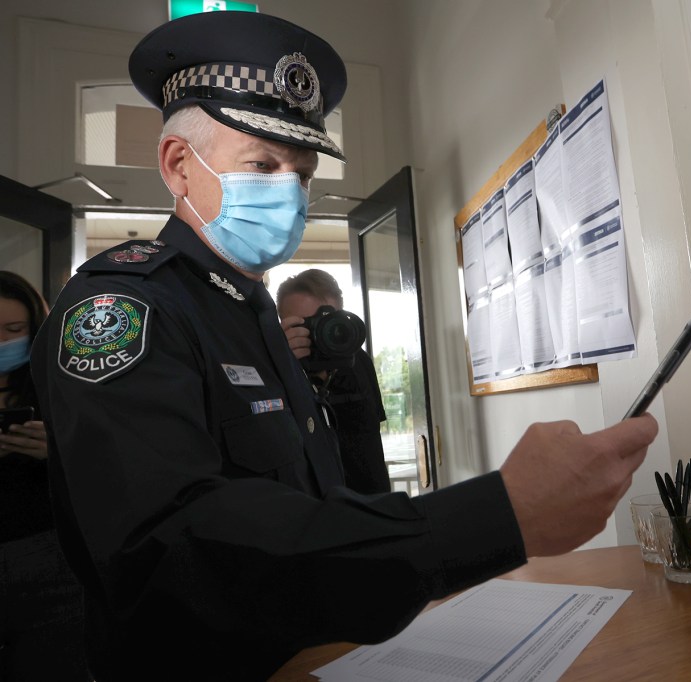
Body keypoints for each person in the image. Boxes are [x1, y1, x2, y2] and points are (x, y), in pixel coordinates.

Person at [31, 11, 657, 681]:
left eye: (302, 174)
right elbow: (177, 548)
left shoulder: (255, 314)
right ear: (179, 165)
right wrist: (494, 516)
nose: (290, 192)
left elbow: (316, 509)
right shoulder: (124, 308)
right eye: (262, 164)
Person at [0, 271, 89, 681]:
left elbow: (109, 470)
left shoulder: (63, 383)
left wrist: (57, 453)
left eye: (14, 330)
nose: (2, 342)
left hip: (49, 560)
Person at [277, 269, 392, 495]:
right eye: (306, 325)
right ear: (282, 324)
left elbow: (372, 440)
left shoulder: (359, 361)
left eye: (327, 322)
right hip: (310, 507)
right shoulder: (273, 369)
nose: (317, 334)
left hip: (369, 502)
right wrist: (282, 364)